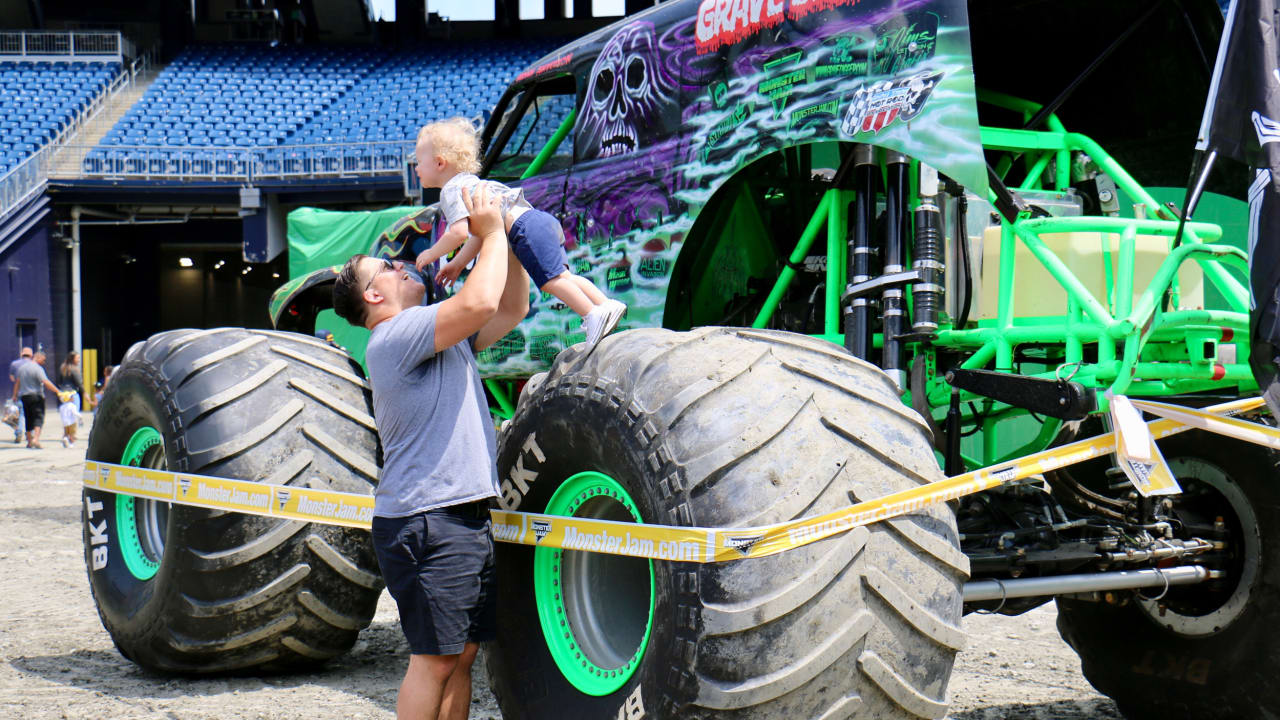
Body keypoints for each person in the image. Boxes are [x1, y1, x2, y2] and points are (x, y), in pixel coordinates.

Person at [332, 183, 528, 720]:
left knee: (461, 656)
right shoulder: (397, 335)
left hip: (457, 515)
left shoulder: (437, 334)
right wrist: (487, 234)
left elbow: (511, 305)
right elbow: (481, 300)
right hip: (427, 521)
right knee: (435, 660)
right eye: (389, 269)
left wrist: (507, 235)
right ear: (374, 297)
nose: (403, 267)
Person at [413, 117, 627, 346]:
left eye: (418, 161)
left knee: (550, 281)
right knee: (564, 276)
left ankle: (591, 314)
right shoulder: (472, 183)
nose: (415, 168)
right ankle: (604, 304)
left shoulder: (451, 190)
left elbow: (459, 233)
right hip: (538, 219)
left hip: (523, 228)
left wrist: (431, 253)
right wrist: (457, 264)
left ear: (439, 162)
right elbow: (479, 235)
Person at [14, 350, 61, 449]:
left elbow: (17, 383)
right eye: (43, 360)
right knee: (38, 418)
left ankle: (30, 441)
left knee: (28, 418)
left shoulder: (21, 368)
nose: (44, 362)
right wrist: (57, 391)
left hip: (24, 396)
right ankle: (36, 439)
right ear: (38, 357)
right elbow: (45, 381)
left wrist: (14, 395)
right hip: (36, 396)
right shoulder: (38, 369)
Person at [57, 352, 83, 447]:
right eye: (77, 358)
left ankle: (65, 435)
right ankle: (71, 437)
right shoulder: (74, 369)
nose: (79, 360)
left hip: (63, 394)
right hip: (72, 393)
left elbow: (59, 381)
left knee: (66, 417)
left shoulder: (62, 368)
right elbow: (79, 383)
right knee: (73, 417)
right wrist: (85, 393)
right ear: (73, 359)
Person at [8, 346, 31, 443]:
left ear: (22, 354)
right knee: (29, 414)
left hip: (19, 392)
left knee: (19, 414)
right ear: (31, 355)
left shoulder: (14, 364)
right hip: (30, 391)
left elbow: (12, 378)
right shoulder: (32, 364)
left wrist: (14, 394)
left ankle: (18, 431)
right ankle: (29, 433)